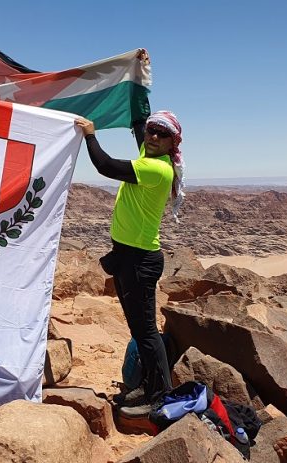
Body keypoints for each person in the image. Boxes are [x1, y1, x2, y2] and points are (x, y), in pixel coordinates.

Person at [75, 108, 184, 418]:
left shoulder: (157, 169)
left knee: (147, 332)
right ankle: (149, 385)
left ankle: (160, 394)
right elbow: (140, 123)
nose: (152, 137)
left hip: (139, 261)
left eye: (161, 134)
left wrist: (90, 134)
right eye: (152, 131)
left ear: (172, 142)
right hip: (126, 256)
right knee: (139, 329)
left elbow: (105, 165)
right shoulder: (149, 151)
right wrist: (140, 71)